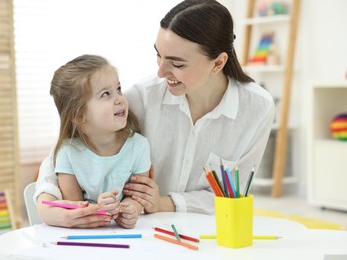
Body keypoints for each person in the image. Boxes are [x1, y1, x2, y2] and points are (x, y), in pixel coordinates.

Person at [34, 0, 275, 228]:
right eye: (158, 55)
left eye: (177, 64)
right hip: (145, 234)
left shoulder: (256, 109)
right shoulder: (143, 97)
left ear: (218, 63)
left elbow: (234, 193)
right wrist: (47, 207)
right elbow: (69, 148)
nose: (160, 72)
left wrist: (163, 202)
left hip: (212, 233)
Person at [41, 54, 151, 229]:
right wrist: (99, 208)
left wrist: (132, 209)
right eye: (106, 94)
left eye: (119, 89)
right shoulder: (67, 152)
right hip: (86, 235)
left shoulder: (139, 146)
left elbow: (136, 195)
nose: (119, 99)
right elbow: (74, 205)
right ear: (78, 115)